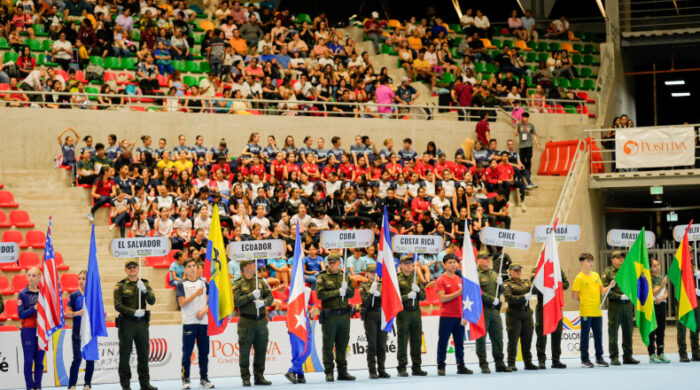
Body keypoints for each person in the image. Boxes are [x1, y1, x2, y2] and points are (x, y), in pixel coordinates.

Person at [114, 260, 158, 390]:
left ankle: (145, 383)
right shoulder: (120, 285)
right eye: (129, 267)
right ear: (125, 270)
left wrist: (144, 291)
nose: (132, 269)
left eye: (134, 267)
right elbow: (117, 305)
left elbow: (152, 301)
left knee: (144, 354)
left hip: (142, 325)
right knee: (125, 355)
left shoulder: (144, 283)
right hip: (127, 324)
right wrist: (133, 312)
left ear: (138, 269)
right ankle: (125, 385)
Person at [232, 260, 274, 386]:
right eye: (252, 264)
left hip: (261, 321)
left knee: (261, 350)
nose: (255, 266)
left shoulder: (260, 281)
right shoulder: (238, 283)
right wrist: (251, 296)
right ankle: (245, 376)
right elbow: (236, 301)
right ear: (245, 268)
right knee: (244, 351)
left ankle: (259, 376)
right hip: (246, 321)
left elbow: (270, 298)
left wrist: (263, 302)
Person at [316, 253, 356, 382]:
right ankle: (329, 372)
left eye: (334, 262)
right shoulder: (322, 277)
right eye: (330, 262)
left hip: (344, 315)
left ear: (339, 263)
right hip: (330, 315)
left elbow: (352, 293)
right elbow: (320, 295)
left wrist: (347, 289)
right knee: (328, 345)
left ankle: (342, 371)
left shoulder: (344, 276)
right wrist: (338, 292)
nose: (332, 264)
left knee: (342, 345)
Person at [177, 258, 214, 388]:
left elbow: (210, 303)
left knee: (204, 353)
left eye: (194, 265)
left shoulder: (205, 284)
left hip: (203, 323)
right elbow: (181, 303)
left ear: (198, 268)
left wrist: (204, 311)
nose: (192, 268)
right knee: (187, 353)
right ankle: (185, 380)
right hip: (189, 322)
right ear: (185, 269)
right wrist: (196, 294)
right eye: (189, 266)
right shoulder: (181, 284)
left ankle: (204, 379)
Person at [435, 253, 473, 375]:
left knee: (459, 343)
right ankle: (441, 365)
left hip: (459, 316)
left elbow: (465, 299)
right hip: (446, 316)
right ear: (444, 265)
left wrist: (465, 315)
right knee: (443, 342)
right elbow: (443, 298)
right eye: (450, 262)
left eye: (454, 262)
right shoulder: (441, 279)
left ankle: (461, 366)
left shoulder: (460, 279)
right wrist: (458, 292)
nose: (453, 265)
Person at [572, 253, 612, 368]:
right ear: (582, 262)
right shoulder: (579, 278)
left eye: (591, 261)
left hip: (597, 311)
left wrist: (610, 285)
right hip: (586, 312)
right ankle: (584, 360)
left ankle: (599, 358)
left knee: (598, 335)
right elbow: (574, 295)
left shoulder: (596, 275)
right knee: (585, 336)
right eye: (588, 261)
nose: (591, 263)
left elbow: (602, 291)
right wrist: (584, 301)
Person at [602, 251, 639, 365]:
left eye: (623, 257)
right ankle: (614, 357)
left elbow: (634, 285)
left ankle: (628, 356)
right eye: (619, 258)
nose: (622, 260)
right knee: (613, 332)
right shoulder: (608, 272)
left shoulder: (628, 271)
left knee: (628, 331)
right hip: (615, 305)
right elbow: (605, 291)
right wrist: (619, 296)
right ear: (613, 259)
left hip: (627, 305)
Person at [531, 263, 569, 369]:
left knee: (557, 334)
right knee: (541, 335)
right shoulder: (537, 269)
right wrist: (546, 285)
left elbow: (566, 284)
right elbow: (532, 289)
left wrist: (557, 285)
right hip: (543, 306)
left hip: (556, 306)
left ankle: (556, 360)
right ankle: (541, 360)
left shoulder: (557, 268)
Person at [474, 253, 508, 373]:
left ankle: (500, 363)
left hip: (494, 311)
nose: (488, 260)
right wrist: (491, 299)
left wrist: (501, 284)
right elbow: (477, 291)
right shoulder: (475, 274)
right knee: (481, 339)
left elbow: (501, 291)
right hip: (482, 310)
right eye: (485, 258)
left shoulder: (494, 273)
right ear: (478, 260)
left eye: (489, 258)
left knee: (498, 338)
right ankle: (483, 364)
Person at [396, 254, 426, 377]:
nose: (409, 265)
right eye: (406, 263)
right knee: (402, 341)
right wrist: (407, 296)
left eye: (410, 263)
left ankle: (417, 367)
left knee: (417, 340)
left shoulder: (417, 278)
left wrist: (418, 291)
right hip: (404, 312)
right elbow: (394, 299)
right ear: (401, 266)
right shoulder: (397, 279)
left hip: (416, 311)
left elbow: (424, 297)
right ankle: (402, 367)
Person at [503, 263, 537, 371]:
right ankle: (511, 363)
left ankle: (528, 362)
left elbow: (535, 290)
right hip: (514, 315)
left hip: (526, 314)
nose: (518, 272)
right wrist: (523, 297)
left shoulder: (526, 282)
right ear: (510, 272)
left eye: (519, 270)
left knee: (527, 340)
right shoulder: (507, 284)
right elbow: (508, 298)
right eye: (515, 270)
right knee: (513, 341)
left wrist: (534, 278)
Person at [359, 264, 390, 379]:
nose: (373, 275)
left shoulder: (384, 285)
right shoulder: (363, 286)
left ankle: (381, 369)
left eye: (375, 273)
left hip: (382, 315)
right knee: (372, 345)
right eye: (371, 273)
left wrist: (379, 295)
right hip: (370, 315)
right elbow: (365, 304)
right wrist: (371, 294)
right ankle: (372, 370)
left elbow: (388, 299)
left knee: (382, 344)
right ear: (367, 274)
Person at [66, 270, 96, 390]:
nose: (81, 281)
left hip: (89, 332)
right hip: (77, 332)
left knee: (90, 358)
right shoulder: (74, 295)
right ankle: (72, 384)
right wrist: (77, 313)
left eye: (83, 278)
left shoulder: (93, 295)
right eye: (79, 278)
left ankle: (87, 384)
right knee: (77, 359)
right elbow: (67, 313)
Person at [18, 267, 44, 390]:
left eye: (34, 275)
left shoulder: (43, 293)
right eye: (29, 275)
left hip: (41, 330)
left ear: (39, 277)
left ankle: (38, 386)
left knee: (39, 362)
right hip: (28, 330)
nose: (31, 278)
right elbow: (20, 314)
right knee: (29, 361)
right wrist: (34, 308)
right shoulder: (23, 294)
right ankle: (30, 386)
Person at [648, 258, 670, 364]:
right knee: (652, 331)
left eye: (658, 265)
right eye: (654, 265)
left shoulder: (662, 277)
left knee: (661, 331)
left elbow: (666, 292)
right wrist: (662, 286)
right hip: (653, 307)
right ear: (650, 268)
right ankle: (652, 355)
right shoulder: (649, 278)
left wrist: (663, 297)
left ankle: (661, 353)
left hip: (661, 305)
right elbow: (654, 293)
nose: (657, 267)